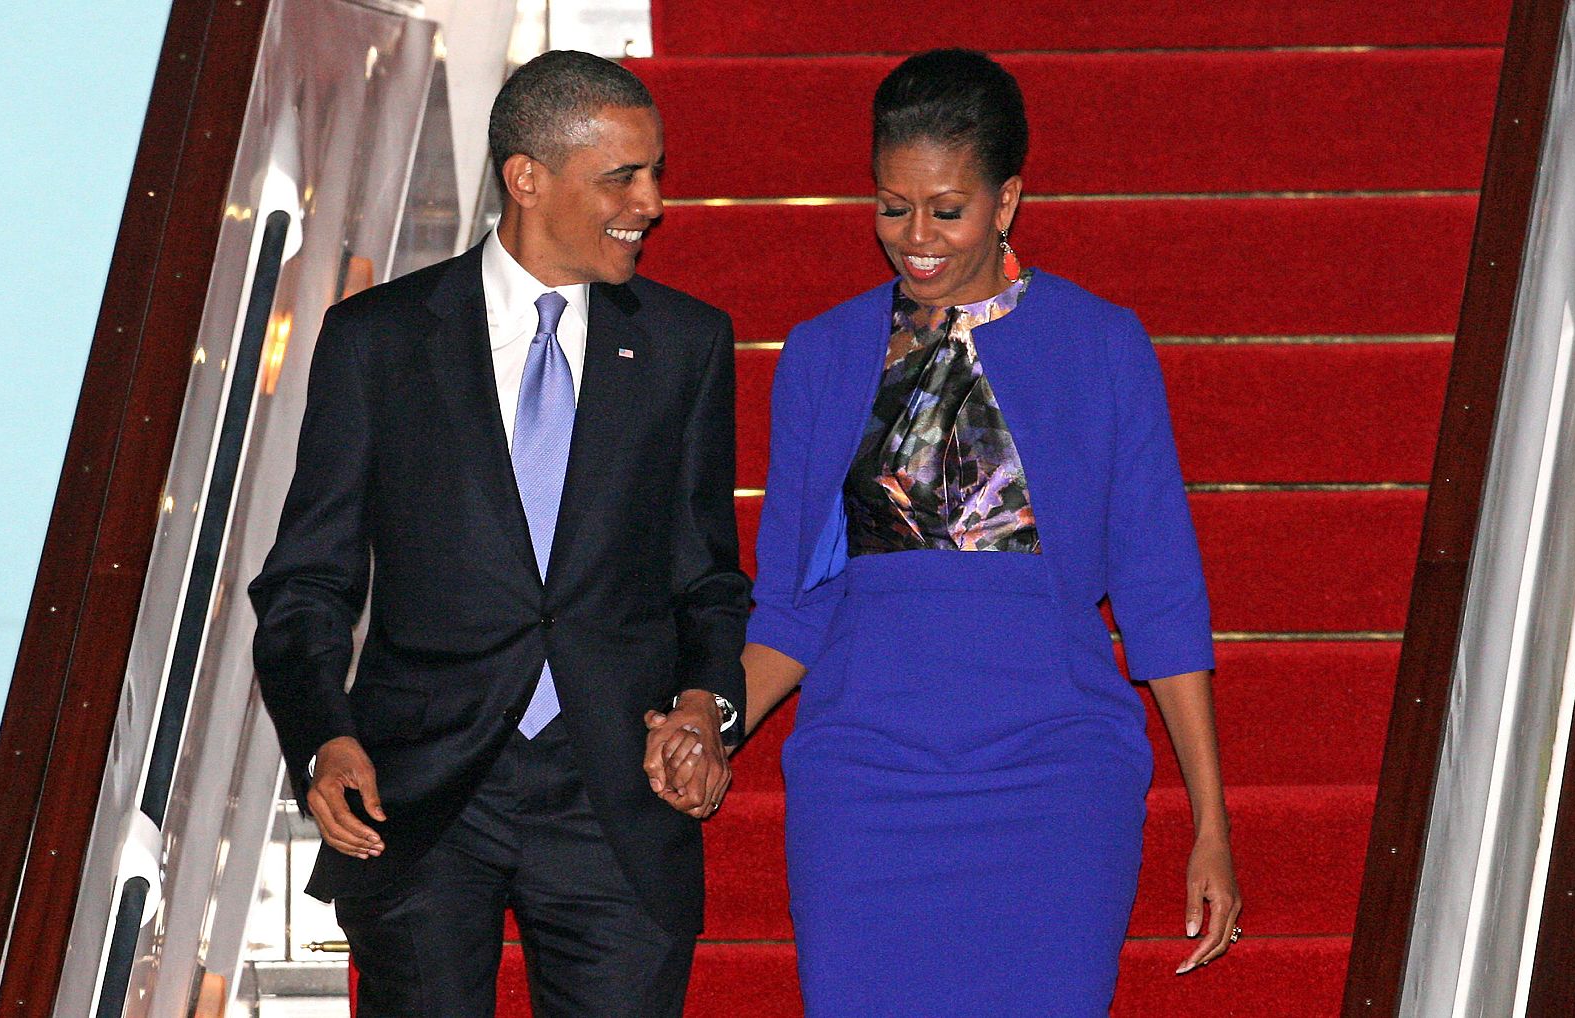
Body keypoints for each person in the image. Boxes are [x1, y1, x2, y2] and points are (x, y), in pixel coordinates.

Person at [656, 48, 1242, 1014]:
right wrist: (709, 723)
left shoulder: (1101, 345)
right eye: (892, 207)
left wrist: (1210, 822)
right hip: (864, 777)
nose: (914, 237)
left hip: (1055, 778)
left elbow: (1161, 598)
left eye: (946, 208)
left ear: (1007, 199)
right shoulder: (822, 353)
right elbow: (793, 609)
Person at [249, 50, 748, 1018]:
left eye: (654, 173)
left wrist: (704, 705)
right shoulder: (378, 339)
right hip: (425, 790)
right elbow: (307, 579)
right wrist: (323, 739)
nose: (650, 202)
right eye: (622, 176)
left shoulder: (687, 342)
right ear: (526, 177)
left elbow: (708, 580)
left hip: (615, 788)